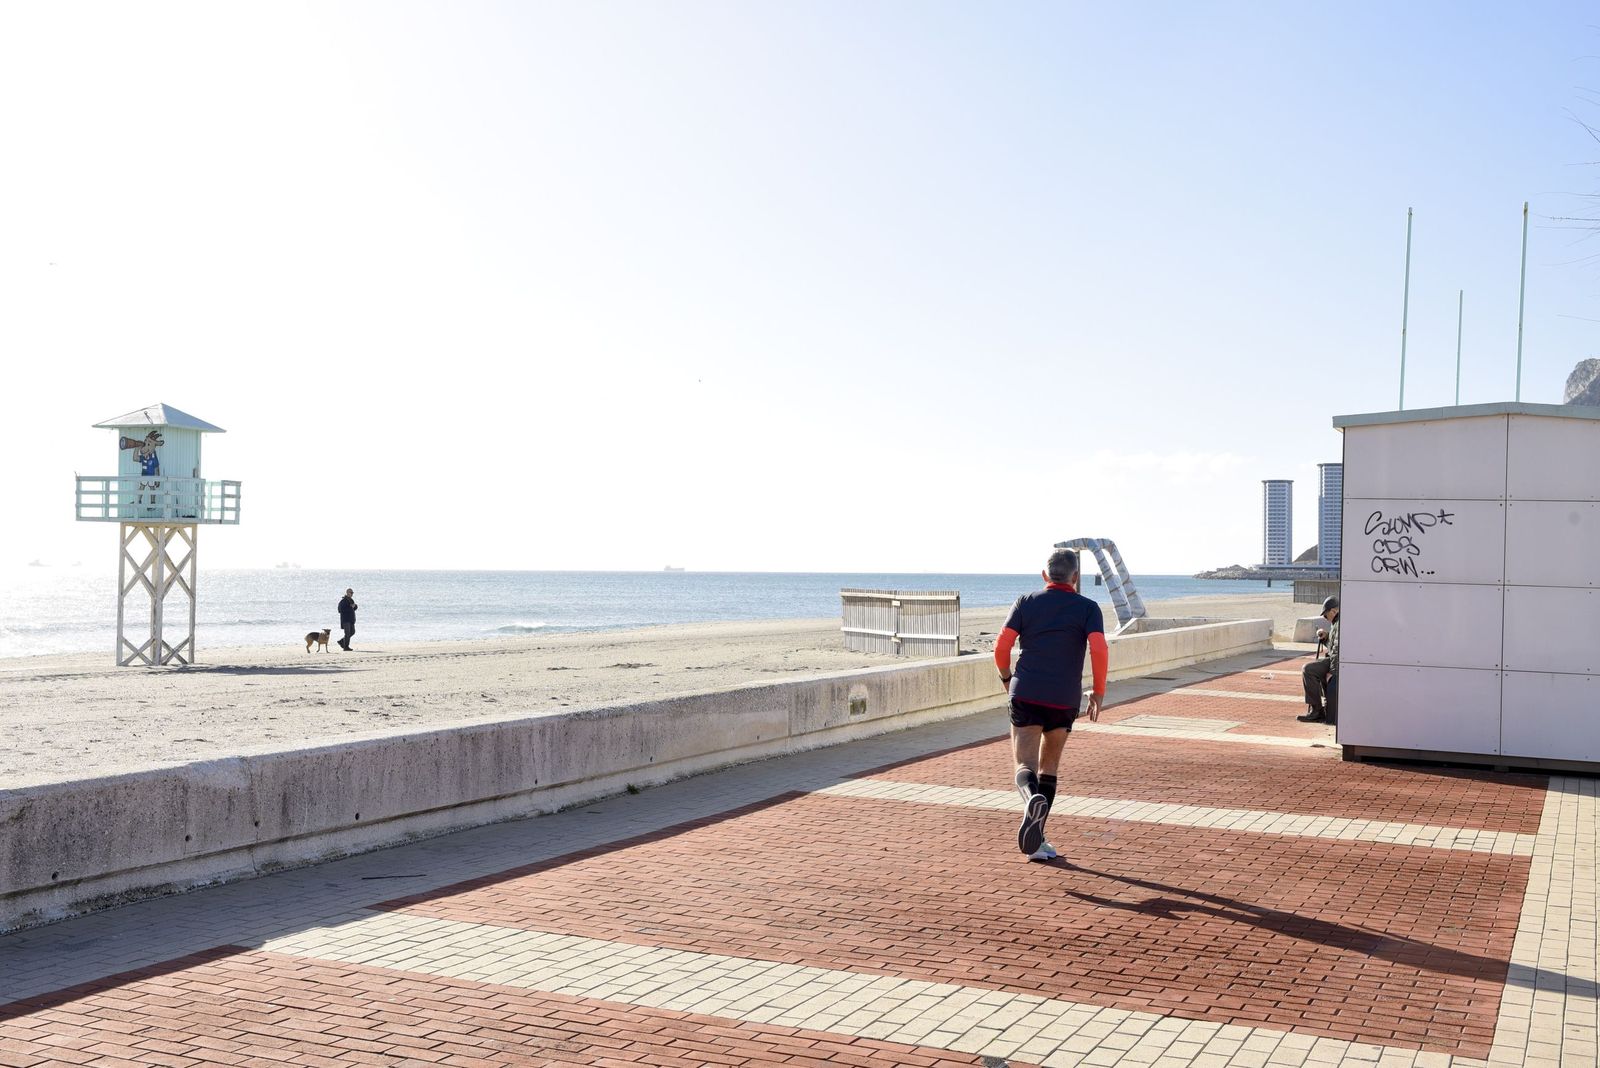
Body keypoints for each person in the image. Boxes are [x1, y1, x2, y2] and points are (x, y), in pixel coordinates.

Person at [994, 548, 1110, 862]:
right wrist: (1098, 692)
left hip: (1027, 691)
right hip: (1064, 698)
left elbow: (1002, 645)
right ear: (1076, 577)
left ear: (1046, 575)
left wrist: (1007, 678)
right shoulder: (1088, 608)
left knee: (1024, 766)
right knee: (1049, 768)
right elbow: (1099, 649)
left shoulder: (1025, 602)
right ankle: (1037, 841)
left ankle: (1031, 801)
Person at [1298, 595, 1339, 723]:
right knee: (1311, 669)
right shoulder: (1336, 623)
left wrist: (1333, 672)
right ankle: (1317, 709)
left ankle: (1317, 710)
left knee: (1308, 670)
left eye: (1326, 615)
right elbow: (1334, 646)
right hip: (1334, 660)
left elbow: (1337, 651)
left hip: (1336, 663)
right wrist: (1326, 637)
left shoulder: (1340, 623)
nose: (1325, 618)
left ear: (1333, 611)